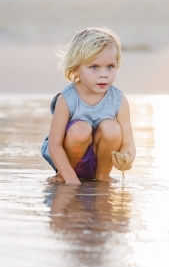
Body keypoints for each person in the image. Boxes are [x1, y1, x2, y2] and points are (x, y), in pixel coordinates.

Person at [41, 27, 136, 184]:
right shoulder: (67, 98)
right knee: (81, 129)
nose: (104, 74)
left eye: (110, 66)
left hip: (99, 157)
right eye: (94, 67)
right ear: (76, 69)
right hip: (67, 158)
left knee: (112, 128)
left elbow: (128, 141)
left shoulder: (118, 100)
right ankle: (63, 175)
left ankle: (102, 175)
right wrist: (69, 177)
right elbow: (54, 144)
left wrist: (127, 156)